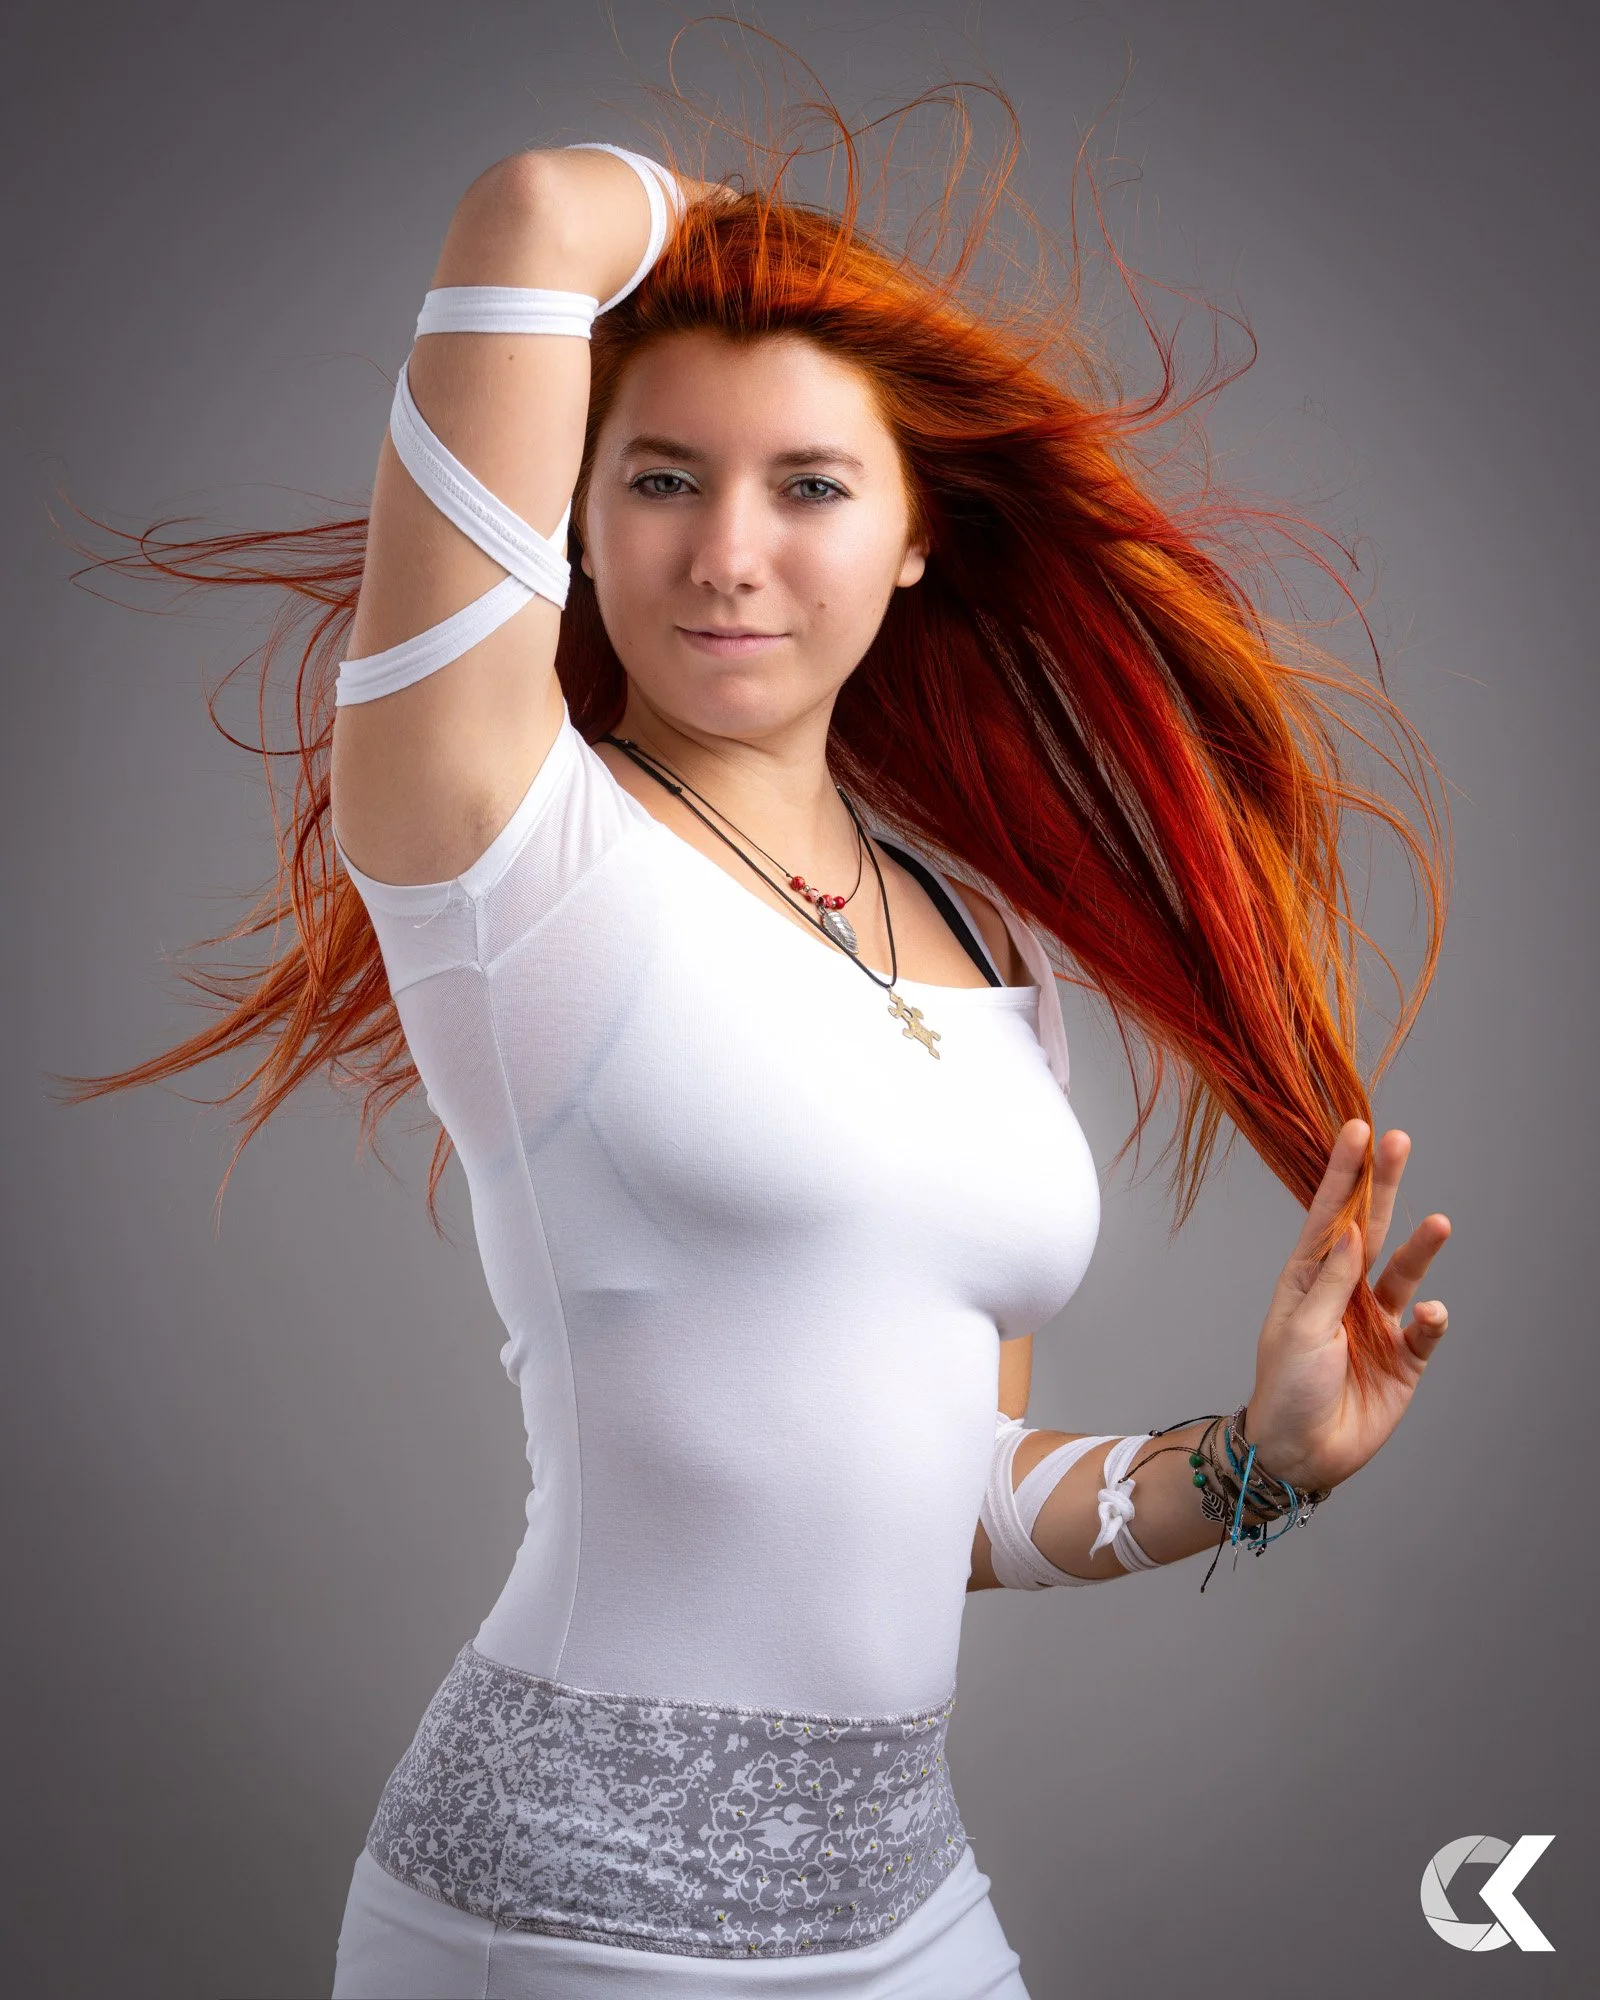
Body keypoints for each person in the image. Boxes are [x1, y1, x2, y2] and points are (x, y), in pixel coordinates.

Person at [55, 102, 1452, 2000]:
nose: (726, 553)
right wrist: (750, 248)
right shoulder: (499, 839)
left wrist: (1258, 1466)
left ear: (914, 537)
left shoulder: (981, 948)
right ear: (574, 508)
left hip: (912, 1913)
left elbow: (950, 1494)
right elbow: (541, 207)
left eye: (807, 485)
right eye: (658, 479)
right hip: (559, 1924)